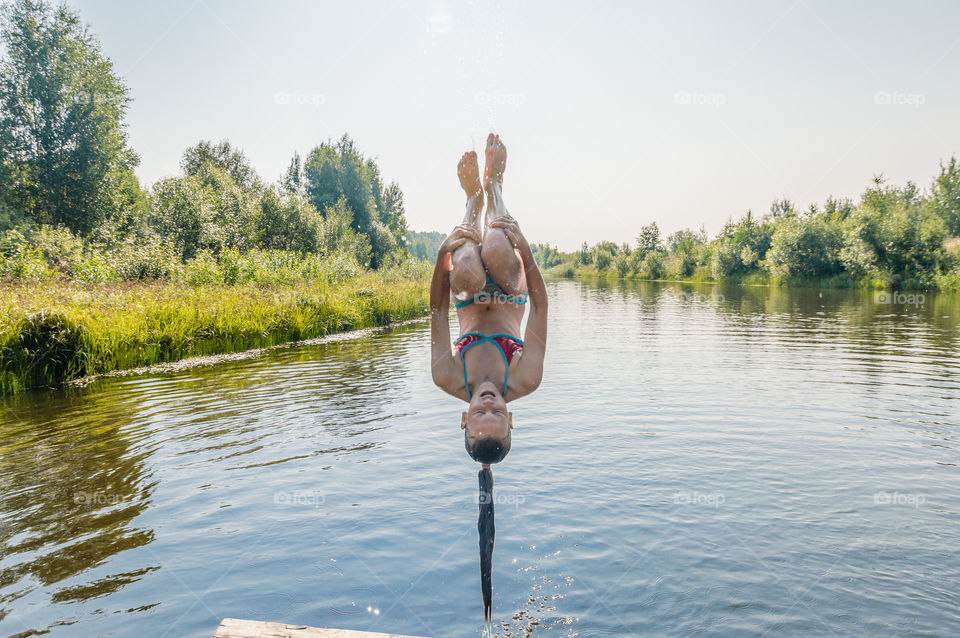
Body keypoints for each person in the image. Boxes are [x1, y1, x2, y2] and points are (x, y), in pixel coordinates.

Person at [429, 133, 548, 626]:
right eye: (496, 413)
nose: (488, 403)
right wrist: (526, 249)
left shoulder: (445, 374)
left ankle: (471, 203)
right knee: (498, 246)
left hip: (470, 289)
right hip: (512, 286)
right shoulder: (526, 377)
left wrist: (443, 254)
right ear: (510, 417)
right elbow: (541, 304)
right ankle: (495, 191)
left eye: (480, 414)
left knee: (467, 270)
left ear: (465, 417)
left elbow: (437, 306)